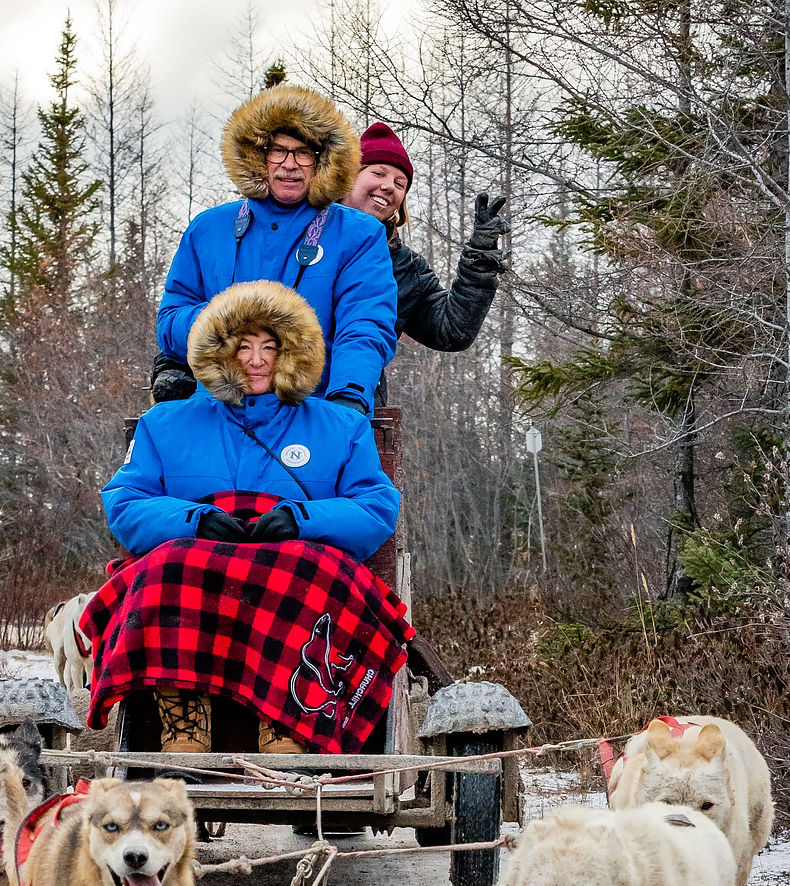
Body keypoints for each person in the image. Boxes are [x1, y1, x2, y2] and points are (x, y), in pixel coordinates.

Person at [83, 280, 412, 758]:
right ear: (219, 352)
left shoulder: (342, 426)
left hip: (296, 567)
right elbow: (126, 501)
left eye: (269, 347)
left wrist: (303, 518)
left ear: (291, 353)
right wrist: (192, 519)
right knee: (167, 566)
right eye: (243, 347)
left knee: (309, 572)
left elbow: (377, 505)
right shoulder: (166, 423)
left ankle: (290, 726)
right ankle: (183, 729)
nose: (256, 360)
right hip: (198, 569)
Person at [151, 85, 397, 417]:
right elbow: (169, 323)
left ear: (323, 159)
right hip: (217, 414)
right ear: (259, 155)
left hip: (312, 410)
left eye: (304, 152)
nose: (289, 164)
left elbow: (365, 325)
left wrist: (347, 402)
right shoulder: (207, 229)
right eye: (277, 150)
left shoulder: (358, 234)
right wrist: (224, 321)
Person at [342, 121, 506, 405]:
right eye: (377, 173)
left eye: (399, 183)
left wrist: (479, 260)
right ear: (346, 178)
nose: (388, 186)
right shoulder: (301, 239)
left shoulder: (405, 268)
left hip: (357, 415)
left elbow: (452, 331)